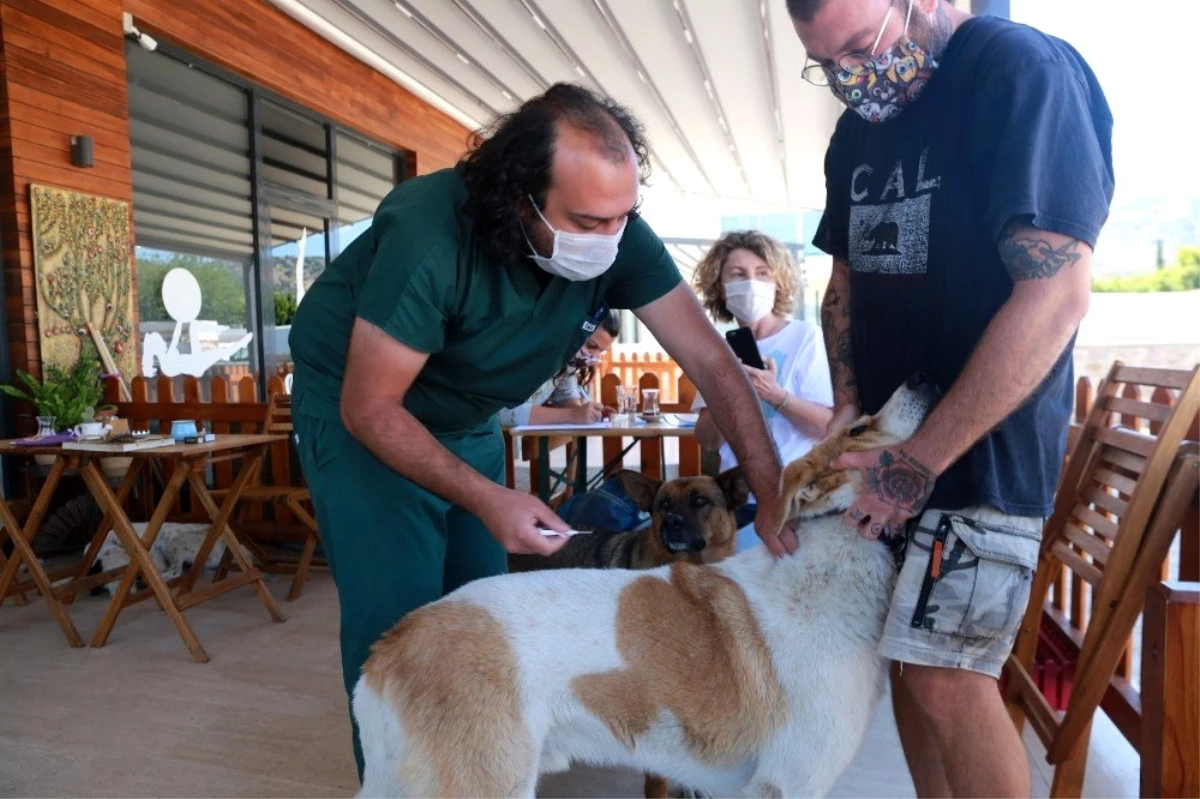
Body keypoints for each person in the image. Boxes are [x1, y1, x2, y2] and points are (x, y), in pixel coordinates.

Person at [286, 82, 793, 778]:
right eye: (586, 221)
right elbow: (371, 409)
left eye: (623, 217)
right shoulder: (429, 234)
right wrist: (491, 498)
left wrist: (771, 491)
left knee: (487, 623)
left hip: (467, 421)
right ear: (517, 196)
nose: (609, 240)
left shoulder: (614, 233)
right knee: (399, 629)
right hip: (366, 418)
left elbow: (710, 358)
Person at [787, 1, 1113, 796]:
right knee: (908, 667)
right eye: (827, 65)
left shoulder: (1017, 71)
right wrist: (845, 413)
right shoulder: (859, 129)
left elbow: (1057, 297)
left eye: (862, 48)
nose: (851, 78)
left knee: (947, 678)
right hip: (886, 446)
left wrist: (916, 463)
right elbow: (845, 282)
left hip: (981, 454)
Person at [690, 231, 833, 548]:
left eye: (762, 273)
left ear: (778, 282)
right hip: (737, 502)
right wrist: (726, 390)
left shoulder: (806, 339)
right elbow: (707, 440)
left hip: (798, 501)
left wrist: (775, 395)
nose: (750, 283)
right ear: (720, 286)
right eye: (737, 274)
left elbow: (827, 427)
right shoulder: (717, 349)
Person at [497, 309, 620, 428]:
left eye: (601, 351)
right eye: (592, 346)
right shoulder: (527, 351)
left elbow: (565, 395)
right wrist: (572, 415)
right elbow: (503, 412)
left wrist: (588, 412)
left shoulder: (568, 360)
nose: (594, 357)